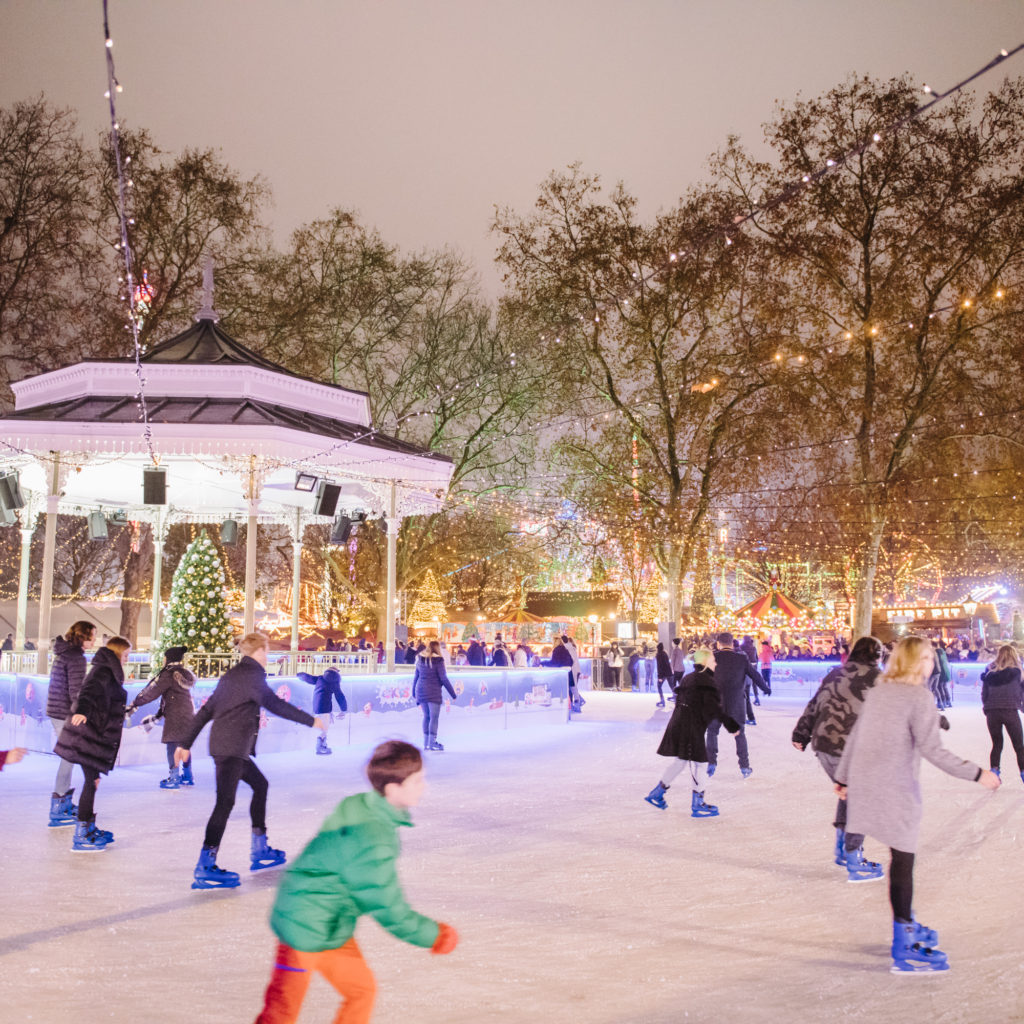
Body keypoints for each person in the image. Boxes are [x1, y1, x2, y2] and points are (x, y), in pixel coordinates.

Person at [253, 740, 457, 1024]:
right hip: (303, 925)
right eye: (418, 780)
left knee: (362, 991)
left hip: (333, 926)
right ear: (393, 789)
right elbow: (388, 908)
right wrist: (436, 935)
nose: (424, 787)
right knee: (282, 1011)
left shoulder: (363, 807)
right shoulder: (372, 838)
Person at [835, 635, 1000, 973]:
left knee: (901, 858)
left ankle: (905, 926)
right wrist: (978, 773)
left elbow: (855, 735)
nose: (930, 664)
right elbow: (934, 751)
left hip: (869, 785)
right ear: (913, 662)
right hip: (895, 790)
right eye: (925, 657)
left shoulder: (880, 691)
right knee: (903, 860)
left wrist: (843, 778)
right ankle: (905, 939)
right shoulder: (919, 697)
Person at [176, 632, 327, 890]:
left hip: (228, 747)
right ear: (258, 651)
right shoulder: (253, 676)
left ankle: (260, 849)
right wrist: (311, 720)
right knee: (224, 804)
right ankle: (205, 865)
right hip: (232, 748)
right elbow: (275, 705)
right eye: (267, 651)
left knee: (260, 785)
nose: (268, 656)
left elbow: (206, 710)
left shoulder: (232, 675)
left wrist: (185, 743)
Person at [791, 635, 886, 881]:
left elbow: (815, 704)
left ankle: (843, 849)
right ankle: (854, 859)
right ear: (876, 656)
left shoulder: (835, 672)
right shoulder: (879, 679)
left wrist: (801, 732)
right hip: (852, 749)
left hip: (824, 745)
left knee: (850, 792)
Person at [53, 637, 132, 852]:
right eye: (125, 655)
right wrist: (82, 711)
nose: (127, 659)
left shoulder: (108, 670)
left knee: (93, 781)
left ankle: (86, 825)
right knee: (91, 782)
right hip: (87, 737)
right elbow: (87, 693)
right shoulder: (102, 671)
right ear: (117, 654)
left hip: (94, 736)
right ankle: (82, 833)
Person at [644, 648, 740, 817]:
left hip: (680, 724)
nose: (715, 662)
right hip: (691, 728)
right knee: (701, 764)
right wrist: (732, 726)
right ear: (705, 662)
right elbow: (714, 709)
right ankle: (698, 803)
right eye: (712, 659)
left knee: (681, 761)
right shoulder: (706, 681)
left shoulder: (689, 678)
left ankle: (657, 793)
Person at [44, 620, 96, 827]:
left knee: (70, 755)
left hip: (57, 710)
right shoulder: (76, 658)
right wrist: (82, 712)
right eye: (93, 634)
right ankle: (58, 806)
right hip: (64, 712)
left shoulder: (66, 653)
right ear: (84, 636)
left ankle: (61, 801)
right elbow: (76, 691)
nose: (95, 639)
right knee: (69, 754)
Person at [126, 646, 198, 788]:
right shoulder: (184, 672)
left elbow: (153, 692)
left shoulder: (169, 674)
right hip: (187, 712)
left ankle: (174, 777)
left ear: (168, 658)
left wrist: (136, 702)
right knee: (184, 745)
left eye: (165, 657)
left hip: (175, 714)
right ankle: (188, 775)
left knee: (172, 744)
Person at [705, 632, 768, 778]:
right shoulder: (741, 658)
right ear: (732, 643)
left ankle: (711, 763)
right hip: (736, 702)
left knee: (712, 732)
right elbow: (755, 675)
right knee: (739, 734)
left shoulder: (712, 657)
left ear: (718, 644)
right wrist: (765, 688)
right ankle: (744, 767)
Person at [980, 644, 1024, 781]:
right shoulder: (1018, 672)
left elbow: (984, 694)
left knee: (997, 743)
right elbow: (1022, 693)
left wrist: (986, 708)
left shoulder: (989, 672)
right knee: (1019, 746)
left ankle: (994, 771)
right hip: (1010, 710)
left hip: (992, 712)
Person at [411, 640, 457, 752]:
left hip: (421, 691)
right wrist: (453, 694)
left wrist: (413, 691)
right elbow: (443, 678)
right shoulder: (438, 660)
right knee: (434, 718)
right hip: (433, 692)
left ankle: (426, 743)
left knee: (426, 716)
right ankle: (432, 743)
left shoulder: (420, 659)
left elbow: (416, 677)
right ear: (437, 649)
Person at [295, 668, 347, 756]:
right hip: (325, 708)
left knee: (323, 727)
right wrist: (344, 709)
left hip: (317, 706)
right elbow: (339, 696)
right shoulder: (334, 682)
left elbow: (308, 678)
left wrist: (299, 674)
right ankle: (320, 748)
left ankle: (323, 746)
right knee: (324, 729)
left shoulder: (320, 678)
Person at [655, 642, 673, 707]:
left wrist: (659, 676)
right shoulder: (665, 653)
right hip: (669, 673)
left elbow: (659, 666)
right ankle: (677, 699)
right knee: (672, 686)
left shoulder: (658, 655)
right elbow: (667, 663)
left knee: (659, 686)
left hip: (662, 674)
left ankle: (662, 700)